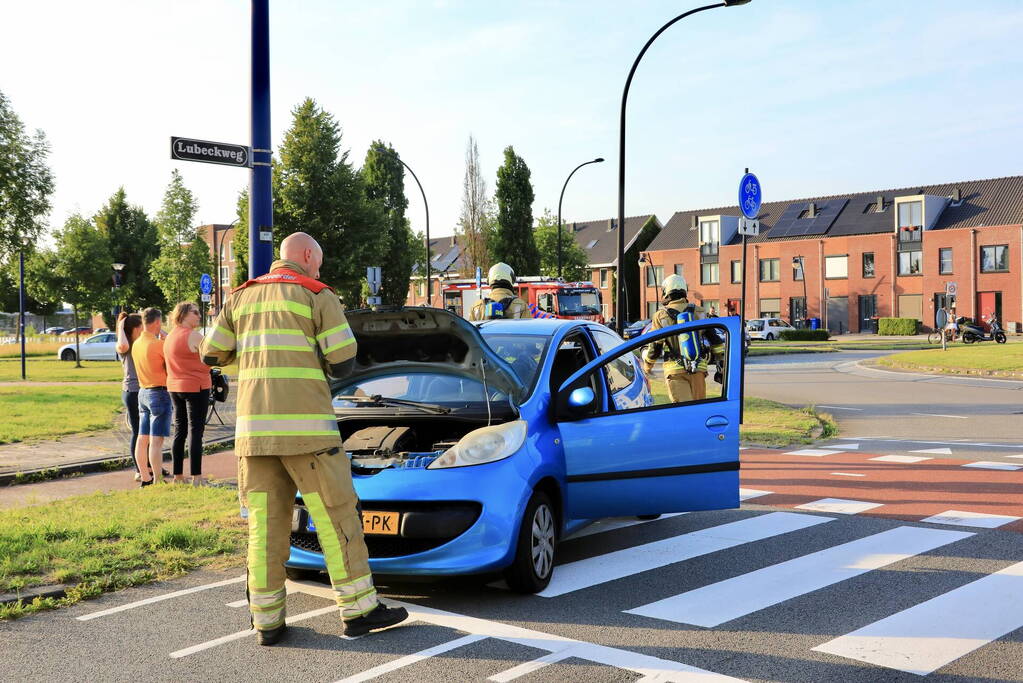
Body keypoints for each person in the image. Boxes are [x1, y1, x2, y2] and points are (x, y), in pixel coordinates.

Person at [199, 232, 408, 646]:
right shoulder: (316, 293)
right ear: (309, 257)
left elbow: (210, 354)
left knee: (264, 527)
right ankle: (359, 610)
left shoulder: (240, 296)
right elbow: (345, 362)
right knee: (336, 517)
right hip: (308, 435)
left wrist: (256, 355)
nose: (320, 269)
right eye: (319, 262)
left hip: (254, 438)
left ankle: (267, 622)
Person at [641, 275, 724, 403]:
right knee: (698, 410)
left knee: (684, 413)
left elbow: (655, 346)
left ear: (666, 292)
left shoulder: (660, 316)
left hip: (675, 371)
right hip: (698, 370)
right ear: (684, 291)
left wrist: (647, 366)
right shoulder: (700, 312)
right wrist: (721, 362)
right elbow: (715, 341)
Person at [166, 301, 212, 485]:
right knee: (196, 432)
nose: (199, 316)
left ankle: (177, 475)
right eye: (195, 312)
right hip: (196, 386)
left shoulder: (170, 336)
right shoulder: (194, 336)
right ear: (183, 314)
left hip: (175, 386)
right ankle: (197, 477)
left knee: (180, 430)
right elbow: (211, 357)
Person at [132, 307, 171, 486]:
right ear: (156, 322)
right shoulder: (158, 345)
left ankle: (145, 477)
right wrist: (166, 337)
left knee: (142, 438)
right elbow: (172, 360)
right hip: (159, 392)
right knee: (156, 441)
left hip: (143, 392)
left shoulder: (137, 343)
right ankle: (157, 478)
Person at [115, 312, 145, 481]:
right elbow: (122, 346)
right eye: (141, 325)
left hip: (145, 390)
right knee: (138, 431)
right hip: (132, 391)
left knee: (148, 432)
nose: (144, 328)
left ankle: (149, 465)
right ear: (135, 328)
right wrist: (120, 326)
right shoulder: (125, 346)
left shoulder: (141, 343)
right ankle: (139, 469)